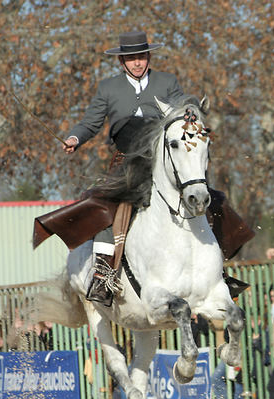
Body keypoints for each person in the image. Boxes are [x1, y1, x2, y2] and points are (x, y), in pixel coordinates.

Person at [61, 30, 184, 306]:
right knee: (107, 203)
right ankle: (104, 276)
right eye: (131, 58)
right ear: (122, 62)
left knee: (200, 191)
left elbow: (182, 112)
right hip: (127, 159)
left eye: (141, 57)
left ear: (148, 57)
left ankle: (219, 269)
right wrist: (75, 138)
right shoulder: (108, 88)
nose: (137, 63)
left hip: (162, 158)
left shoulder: (168, 82)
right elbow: (91, 122)